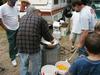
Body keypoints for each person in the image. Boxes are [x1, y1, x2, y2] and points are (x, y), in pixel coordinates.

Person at [16, 6, 54, 75]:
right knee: (36, 65)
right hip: (33, 47)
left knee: (23, 64)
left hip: (20, 45)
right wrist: (51, 40)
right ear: (36, 12)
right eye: (40, 13)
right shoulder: (40, 19)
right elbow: (46, 34)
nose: (41, 15)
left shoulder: (22, 18)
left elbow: (25, 31)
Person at [0, 0, 19, 66]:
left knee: (17, 41)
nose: (14, 4)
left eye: (15, 2)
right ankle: (12, 58)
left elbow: (17, 15)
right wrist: (6, 28)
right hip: (10, 29)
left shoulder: (15, 5)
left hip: (17, 27)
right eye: (13, 2)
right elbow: (0, 20)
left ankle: (16, 52)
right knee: (11, 44)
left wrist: (19, 22)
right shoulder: (2, 8)